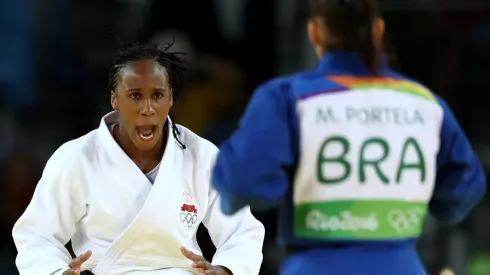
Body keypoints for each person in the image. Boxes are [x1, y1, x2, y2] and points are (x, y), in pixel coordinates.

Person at [210, 0, 487, 274]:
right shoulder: (425, 104)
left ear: (314, 32)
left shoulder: (288, 98)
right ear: (378, 30)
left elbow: (241, 183)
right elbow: (463, 190)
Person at [12, 41, 265, 275]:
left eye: (157, 95)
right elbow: (37, 236)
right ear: (115, 100)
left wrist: (226, 269)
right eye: (135, 96)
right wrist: (58, 272)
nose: (147, 109)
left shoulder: (203, 156)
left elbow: (241, 231)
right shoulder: (76, 158)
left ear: (171, 98)